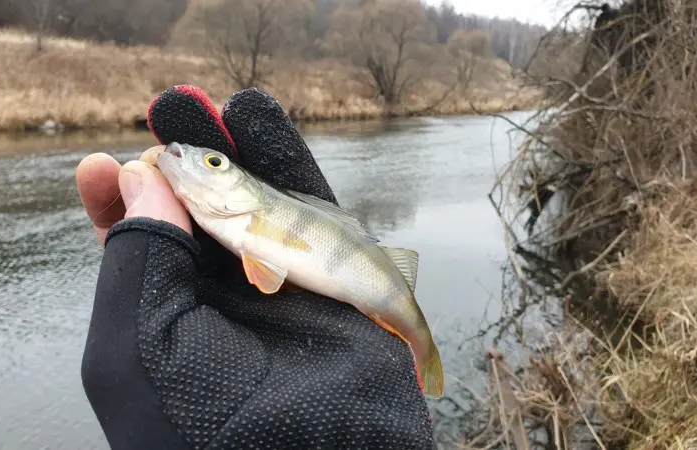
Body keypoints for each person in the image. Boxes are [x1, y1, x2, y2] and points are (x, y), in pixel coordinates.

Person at [75, 85, 436, 449]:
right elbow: (265, 272)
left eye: (214, 163)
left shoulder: (249, 214)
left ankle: (425, 352)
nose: (181, 156)